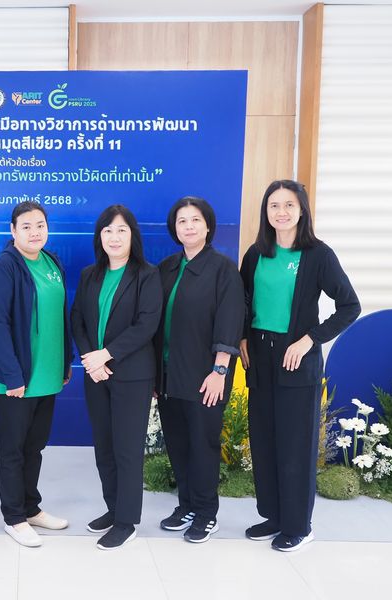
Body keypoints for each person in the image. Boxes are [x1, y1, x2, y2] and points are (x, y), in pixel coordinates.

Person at [239, 180, 360, 552]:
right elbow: (242, 302)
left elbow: (349, 306)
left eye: (289, 205)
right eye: (274, 205)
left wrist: (310, 339)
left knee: (295, 445)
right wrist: (242, 337)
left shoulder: (318, 255)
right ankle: (274, 516)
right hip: (259, 358)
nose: (281, 212)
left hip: (296, 357)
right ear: (266, 212)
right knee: (265, 441)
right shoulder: (256, 254)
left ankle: (298, 526)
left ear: (302, 209)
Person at [71, 205, 163, 550]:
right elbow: (77, 319)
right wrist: (91, 360)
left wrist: (106, 354)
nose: (114, 237)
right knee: (104, 448)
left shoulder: (147, 275)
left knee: (126, 450)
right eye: (107, 230)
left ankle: (127, 522)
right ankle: (113, 509)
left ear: (132, 235)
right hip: (96, 374)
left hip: (132, 375)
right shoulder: (89, 275)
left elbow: (146, 324)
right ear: (100, 237)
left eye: (121, 230)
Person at [153, 196, 244, 543]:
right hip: (168, 374)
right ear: (174, 229)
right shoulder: (166, 268)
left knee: (202, 445)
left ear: (208, 226)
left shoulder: (222, 269)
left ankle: (206, 513)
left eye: (195, 220)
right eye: (182, 221)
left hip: (205, 376)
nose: (188, 226)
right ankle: (187, 505)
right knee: (178, 443)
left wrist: (219, 371)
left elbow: (230, 320)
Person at [0, 201, 73, 548]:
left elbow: (60, 317)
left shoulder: (52, 262)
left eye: (40, 225)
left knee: (34, 447)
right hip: (16, 379)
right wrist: (12, 375)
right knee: (12, 449)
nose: (35, 232)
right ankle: (14, 517)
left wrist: (64, 363)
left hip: (47, 376)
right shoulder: (5, 266)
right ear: (13, 230)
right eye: (26, 226)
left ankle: (30, 507)